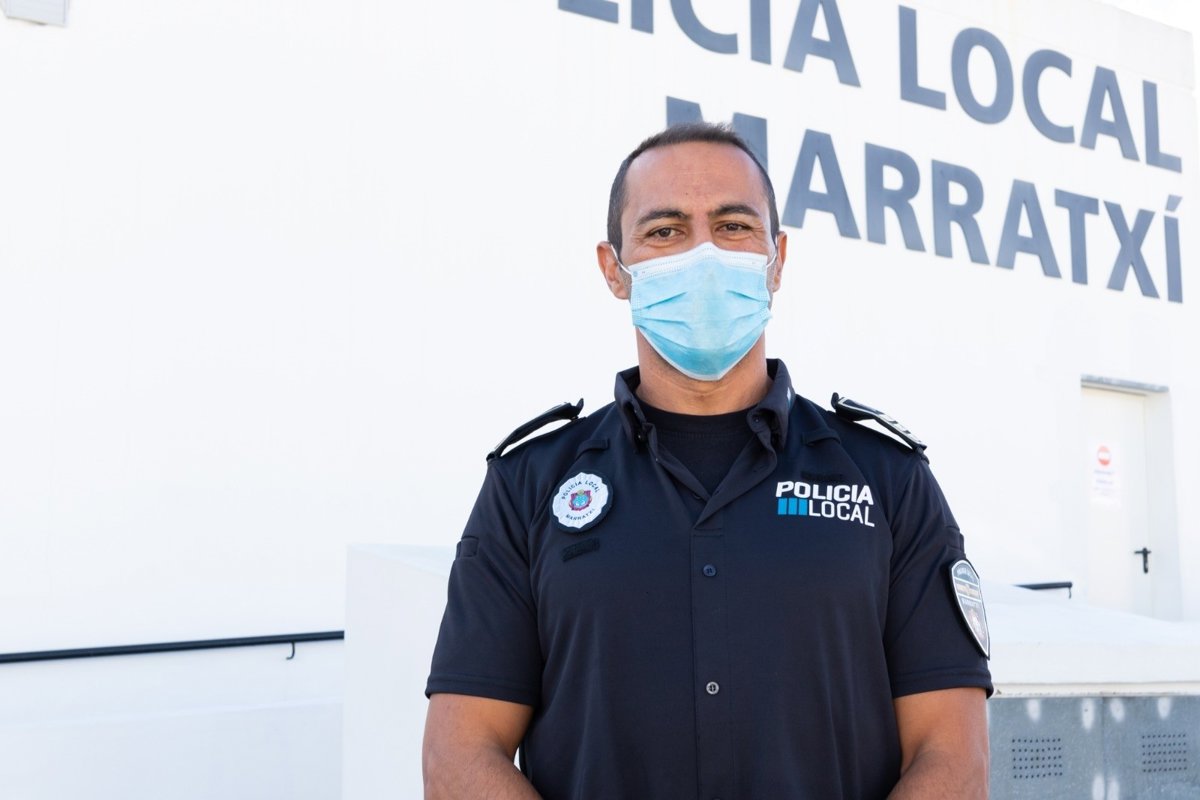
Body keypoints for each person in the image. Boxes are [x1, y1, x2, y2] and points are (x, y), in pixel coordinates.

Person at [423, 122, 992, 799]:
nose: (704, 255)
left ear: (777, 258)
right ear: (613, 269)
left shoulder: (889, 479)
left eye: (733, 226)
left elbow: (952, 758)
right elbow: (460, 756)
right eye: (665, 231)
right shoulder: (529, 485)